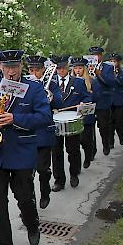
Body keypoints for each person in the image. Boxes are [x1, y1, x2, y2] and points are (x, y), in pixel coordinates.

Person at [0, 50, 52, 245]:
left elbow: (44, 116)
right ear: (0, 67)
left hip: (22, 150)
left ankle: (32, 224)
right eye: (7, 67)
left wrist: (15, 118)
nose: (11, 71)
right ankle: (3, 244)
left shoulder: (34, 88)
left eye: (15, 67)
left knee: (24, 197)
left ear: (21, 66)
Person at [26, 55, 63, 209]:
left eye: (37, 70)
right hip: (27, 133)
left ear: (43, 70)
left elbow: (59, 102)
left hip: (44, 132)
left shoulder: (51, 84)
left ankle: (45, 191)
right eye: (30, 69)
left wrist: (51, 97)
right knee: (27, 174)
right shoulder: (24, 85)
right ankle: (29, 204)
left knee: (42, 169)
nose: (33, 73)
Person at [51, 55, 91, 190]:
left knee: (73, 150)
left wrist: (83, 103)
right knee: (56, 152)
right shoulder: (50, 82)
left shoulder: (78, 82)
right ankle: (59, 180)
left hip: (72, 120)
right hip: (55, 120)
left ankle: (74, 174)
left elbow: (87, 96)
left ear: (68, 68)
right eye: (58, 69)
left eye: (63, 68)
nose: (61, 71)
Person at [88, 46, 116, 155]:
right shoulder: (85, 67)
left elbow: (111, 82)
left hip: (103, 100)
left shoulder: (108, 68)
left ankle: (106, 144)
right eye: (93, 55)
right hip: (90, 100)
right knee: (89, 128)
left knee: (103, 126)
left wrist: (98, 73)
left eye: (97, 55)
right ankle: (92, 150)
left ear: (101, 56)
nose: (95, 57)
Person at [71, 58, 97, 168]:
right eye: (76, 68)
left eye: (80, 68)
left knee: (86, 140)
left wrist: (87, 100)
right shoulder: (71, 81)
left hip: (87, 114)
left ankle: (88, 156)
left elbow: (96, 97)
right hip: (75, 115)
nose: (78, 70)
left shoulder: (91, 80)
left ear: (84, 69)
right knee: (77, 141)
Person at [109, 53, 123, 146]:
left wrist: (116, 76)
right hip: (109, 101)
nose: (113, 63)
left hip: (120, 100)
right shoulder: (106, 72)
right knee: (110, 122)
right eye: (111, 61)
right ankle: (111, 141)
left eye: (115, 61)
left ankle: (121, 135)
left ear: (118, 62)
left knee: (119, 121)